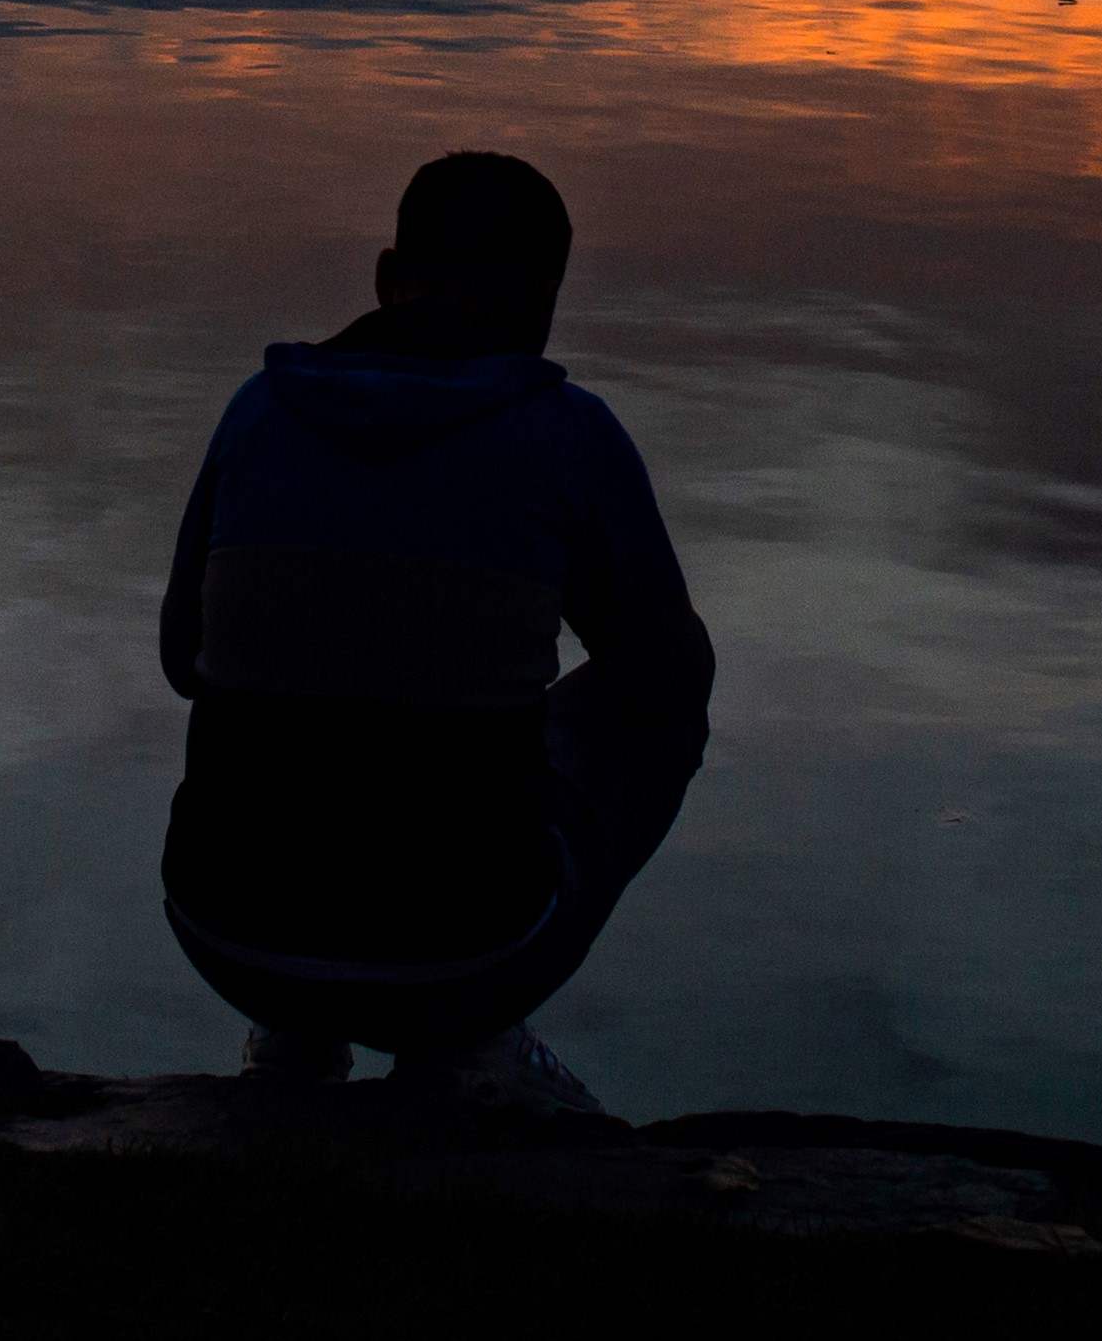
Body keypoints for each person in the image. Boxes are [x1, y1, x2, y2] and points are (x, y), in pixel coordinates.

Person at [157, 152, 714, 1111]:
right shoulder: (566, 432)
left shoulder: (257, 411)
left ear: (385, 277)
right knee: (663, 698)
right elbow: (662, 674)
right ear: (545, 298)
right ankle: (471, 1044)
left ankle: (293, 1036)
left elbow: (180, 659)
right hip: (467, 951)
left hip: (224, 931)